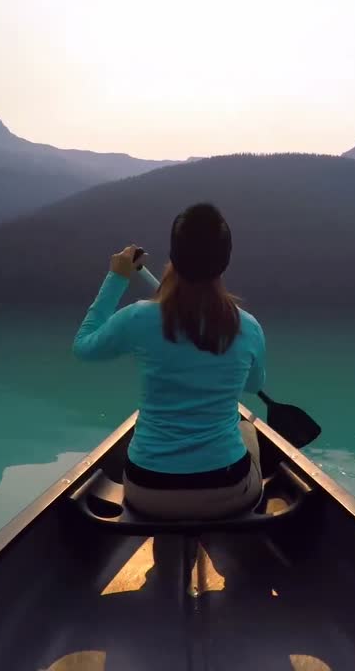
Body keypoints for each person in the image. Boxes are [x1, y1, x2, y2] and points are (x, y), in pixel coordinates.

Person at [72, 203, 266, 520]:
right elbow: (254, 385)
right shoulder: (248, 326)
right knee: (249, 431)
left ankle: (167, 557)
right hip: (226, 489)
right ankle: (228, 553)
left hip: (147, 490)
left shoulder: (139, 318)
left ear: (173, 256)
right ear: (224, 261)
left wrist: (117, 277)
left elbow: (83, 347)